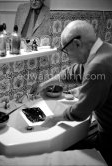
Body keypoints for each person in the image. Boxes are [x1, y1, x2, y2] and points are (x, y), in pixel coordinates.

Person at [30, 20, 112, 165]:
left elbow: (80, 112)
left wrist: (54, 119)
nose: (67, 56)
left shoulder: (99, 65)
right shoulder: (103, 49)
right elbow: (72, 73)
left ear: (77, 43)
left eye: (67, 50)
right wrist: (44, 84)